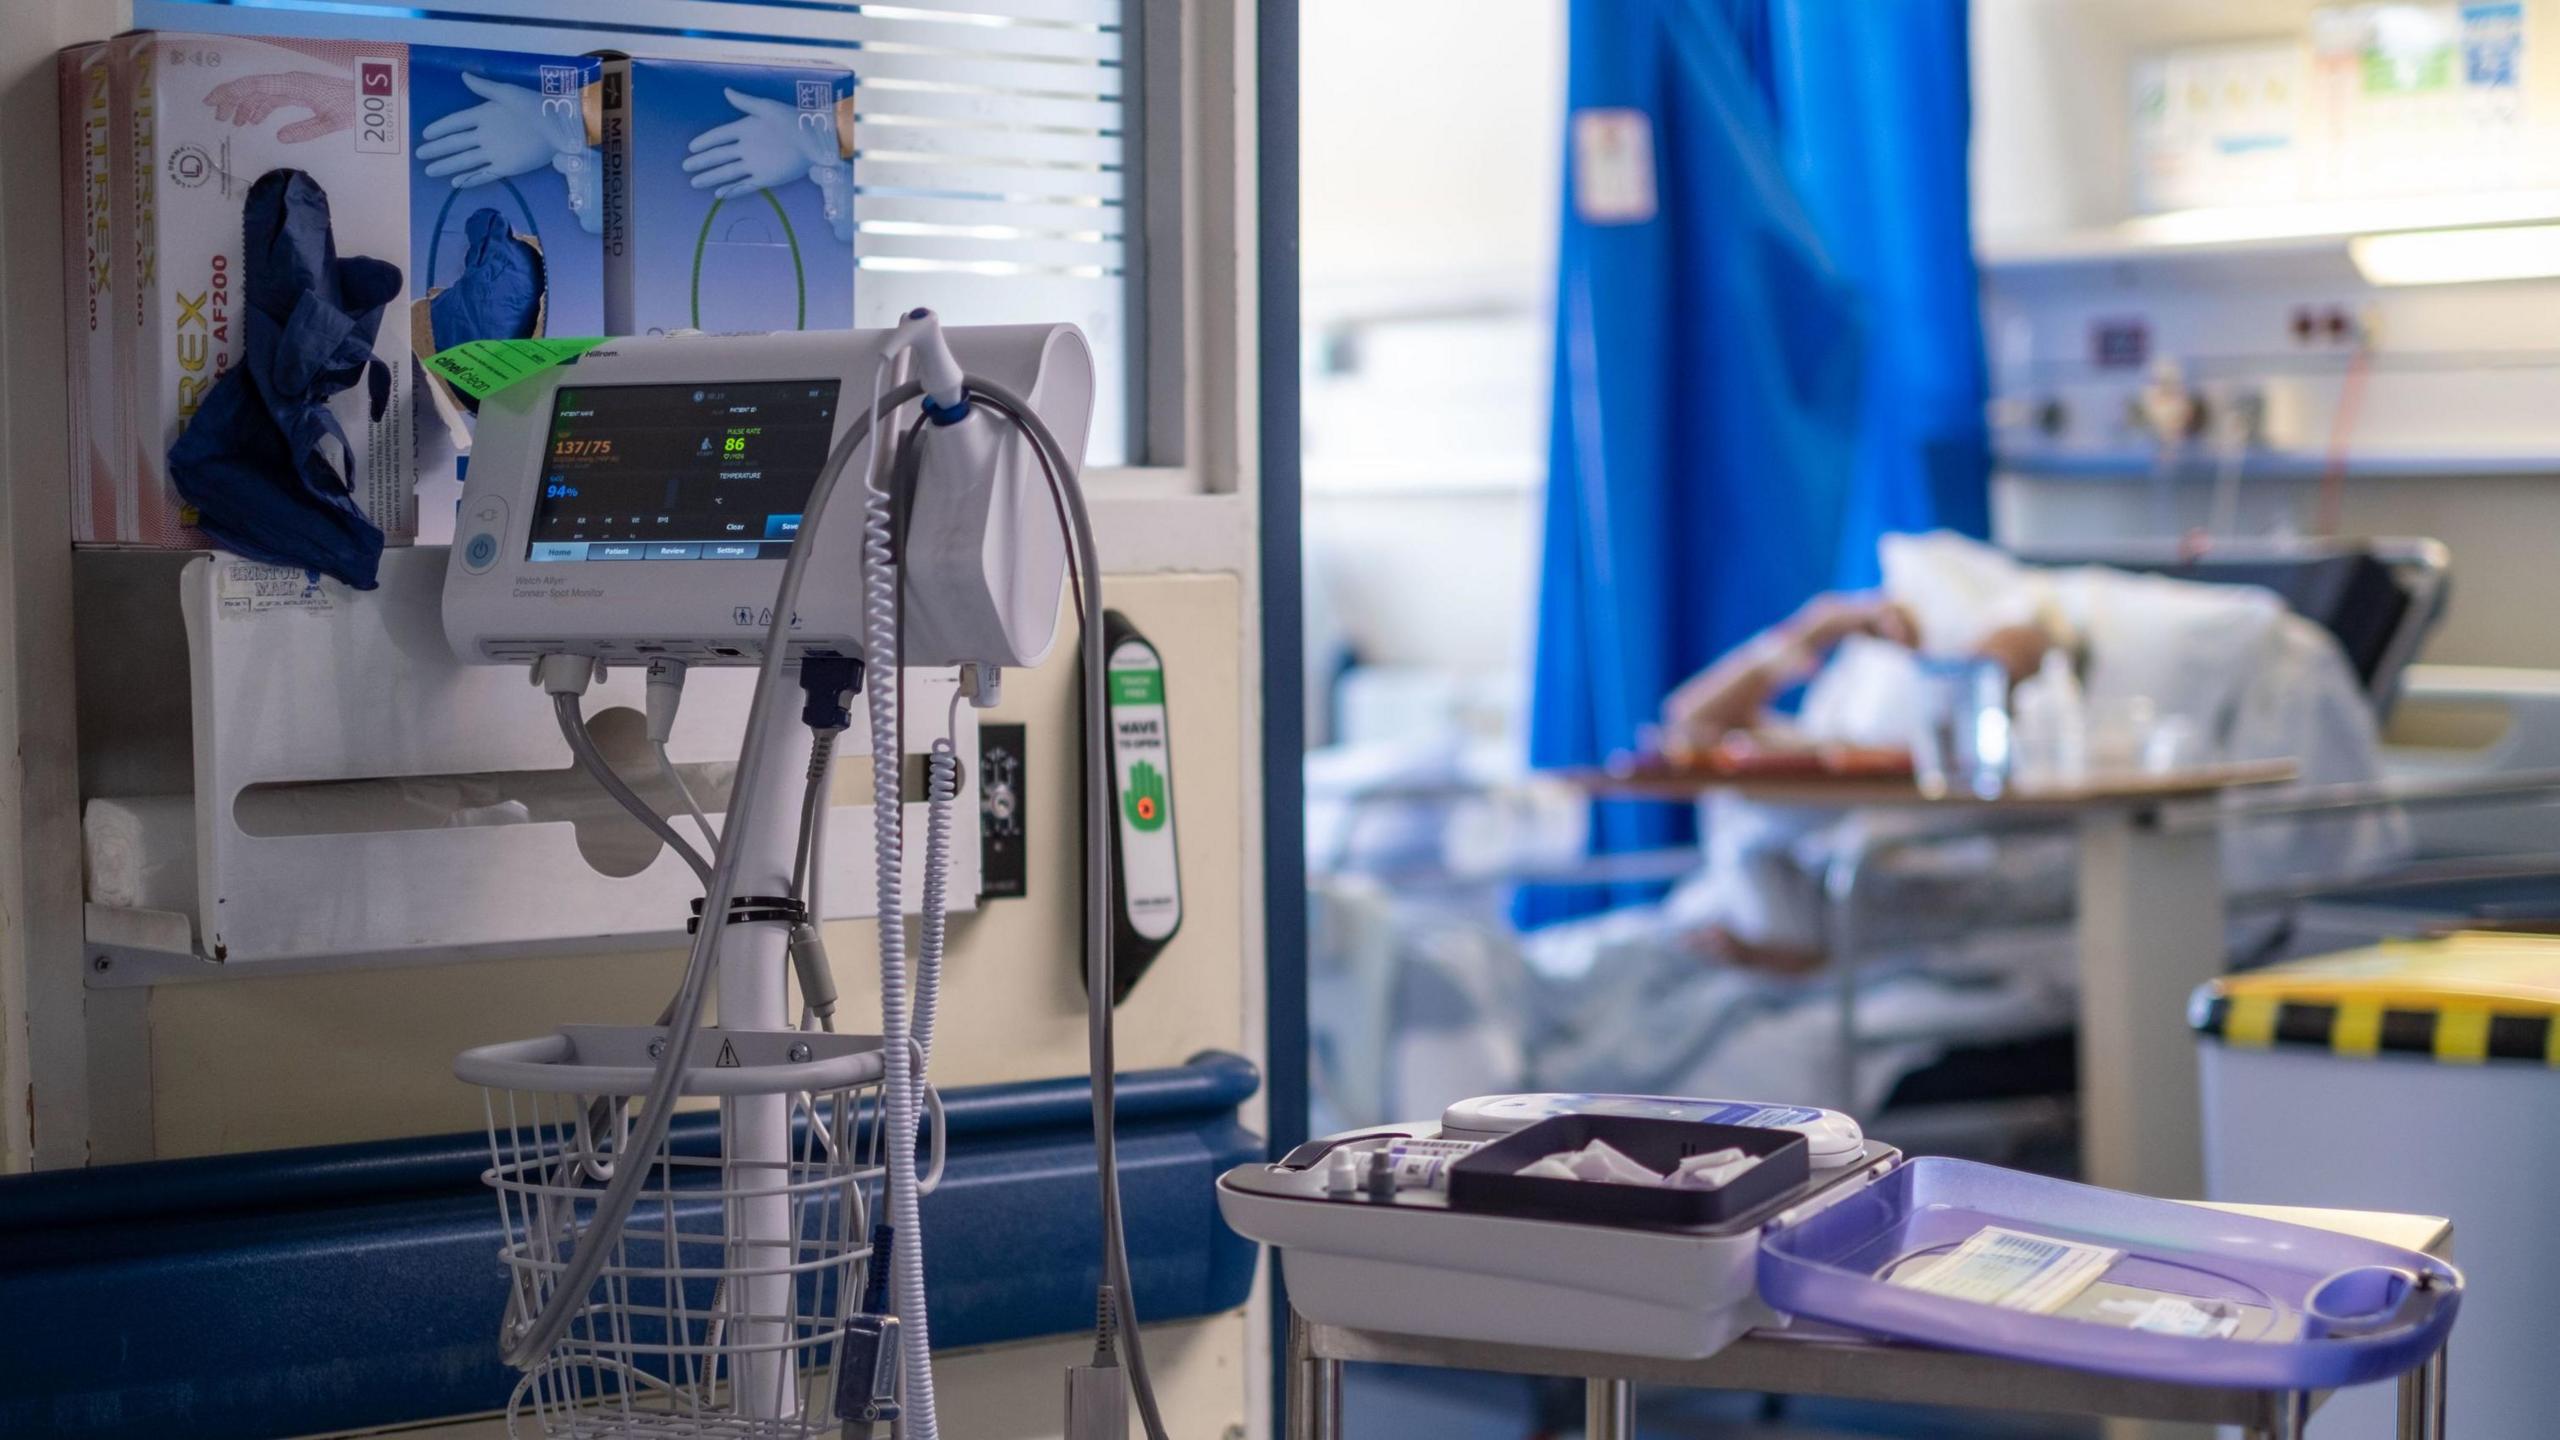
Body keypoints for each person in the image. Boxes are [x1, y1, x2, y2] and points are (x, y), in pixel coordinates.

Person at [1337, 532, 2410, 1118]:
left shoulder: (2026, 763)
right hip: (1701, 942)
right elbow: (1683, 735)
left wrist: (2016, 647)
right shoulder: (1854, 727)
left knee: (1589, 1060)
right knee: (1446, 968)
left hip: (1834, 973)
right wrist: (1810, 635)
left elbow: (1988, 920)